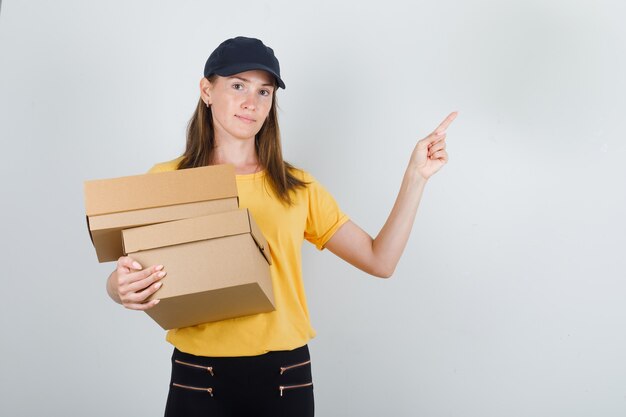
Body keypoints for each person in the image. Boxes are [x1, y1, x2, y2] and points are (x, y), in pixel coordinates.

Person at [105, 36, 457, 417]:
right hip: (197, 376)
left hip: (284, 378)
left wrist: (415, 177)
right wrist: (119, 288)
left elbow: (380, 260)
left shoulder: (296, 188)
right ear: (207, 90)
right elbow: (126, 273)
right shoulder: (167, 180)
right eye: (237, 85)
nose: (250, 103)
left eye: (264, 92)